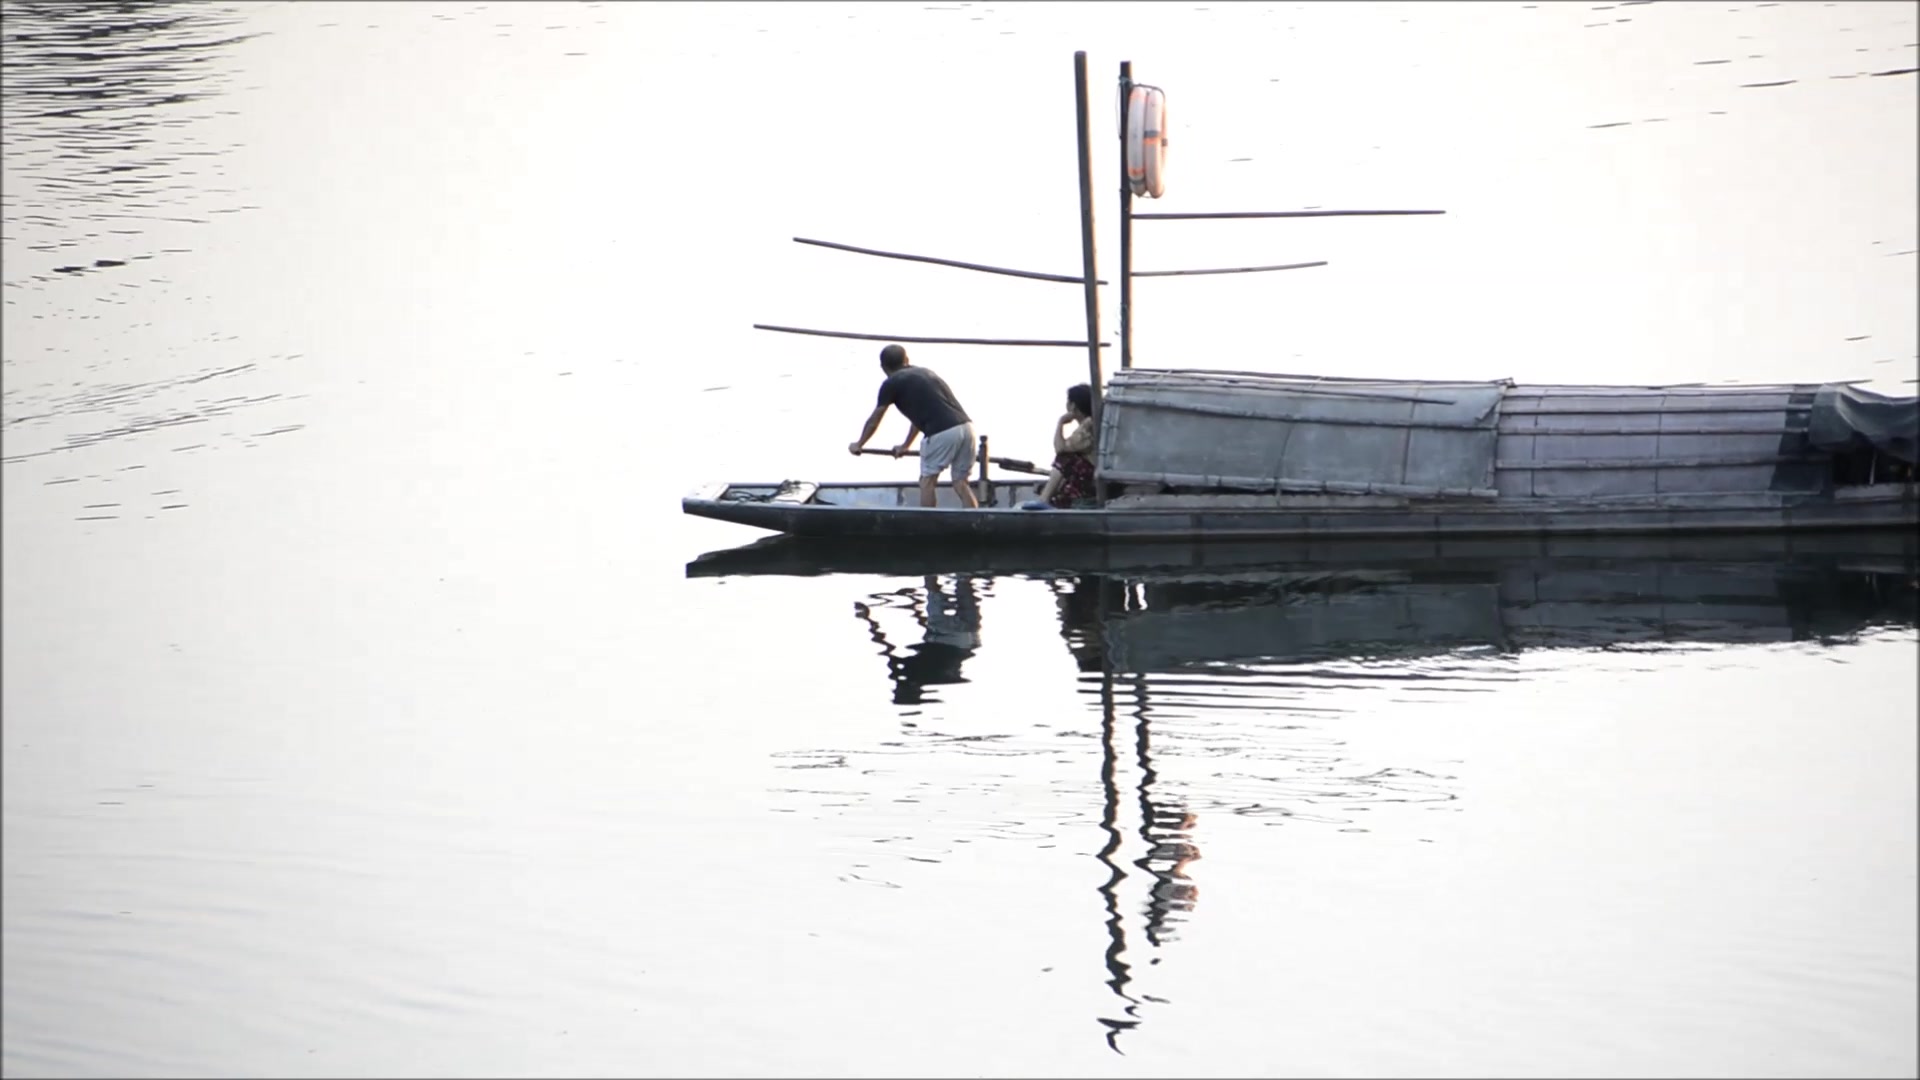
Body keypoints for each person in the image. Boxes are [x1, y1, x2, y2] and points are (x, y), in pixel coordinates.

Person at [848, 343, 979, 508]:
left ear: (883, 367)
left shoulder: (891, 384)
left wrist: (859, 444)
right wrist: (905, 446)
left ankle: (927, 526)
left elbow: (875, 419)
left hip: (941, 432)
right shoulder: (925, 373)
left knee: (927, 482)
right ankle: (976, 524)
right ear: (907, 360)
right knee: (961, 482)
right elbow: (919, 419)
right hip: (967, 428)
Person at [1033, 383, 1096, 509]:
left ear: (1072, 405)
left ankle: (1044, 499)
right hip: (1090, 475)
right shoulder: (1090, 423)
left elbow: (1060, 449)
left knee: (1064, 458)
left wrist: (1060, 423)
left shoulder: (1088, 426)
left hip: (1092, 476)